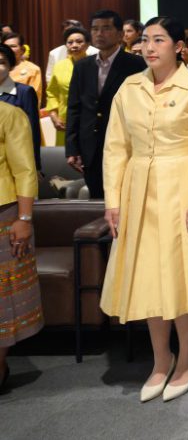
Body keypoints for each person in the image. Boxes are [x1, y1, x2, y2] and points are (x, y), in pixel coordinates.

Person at [101, 16, 188, 402]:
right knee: (149, 278)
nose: (149, 47)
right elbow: (115, 148)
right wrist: (113, 201)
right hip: (139, 191)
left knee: (181, 277)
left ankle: (187, 358)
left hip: (182, 188)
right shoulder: (129, 86)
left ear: (178, 46)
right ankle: (160, 359)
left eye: (159, 40)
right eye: (145, 40)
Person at [65, 10, 148, 199]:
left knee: (126, 200)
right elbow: (75, 108)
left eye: (106, 28)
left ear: (120, 34)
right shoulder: (82, 66)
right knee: (97, 201)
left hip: (126, 146)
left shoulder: (136, 65)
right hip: (90, 148)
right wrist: (72, 148)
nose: (99, 34)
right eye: (95, 29)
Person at [0, 99, 41, 389]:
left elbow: (25, 170)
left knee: (3, 298)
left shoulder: (9, 114)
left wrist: (24, 218)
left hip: (5, 213)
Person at [45, 26, 90, 147]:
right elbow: (52, 93)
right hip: (65, 120)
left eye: (79, 42)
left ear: (87, 44)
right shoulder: (59, 66)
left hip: (90, 120)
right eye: (70, 42)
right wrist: (54, 116)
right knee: (65, 158)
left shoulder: (95, 64)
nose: (74, 45)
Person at [0, 45, 41, 169]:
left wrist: (35, 166)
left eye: (2, 62)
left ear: (10, 66)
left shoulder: (24, 92)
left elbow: (32, 131)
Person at [1, 32, 42, 103]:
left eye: (13, 46)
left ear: (22, 50)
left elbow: (34, 99)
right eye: (6, 46)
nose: (9, 49)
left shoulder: (33, 69)